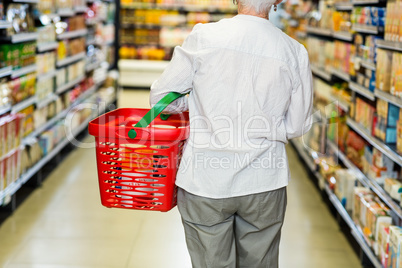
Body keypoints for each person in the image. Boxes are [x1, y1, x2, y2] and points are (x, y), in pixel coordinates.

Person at [149, 0, 313, 266]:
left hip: (205, 178)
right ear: (278, 1)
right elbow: (297, 125)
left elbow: (161, 98)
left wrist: (197, 104)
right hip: (264, 180)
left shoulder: (204, 36)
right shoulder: (294, 51)